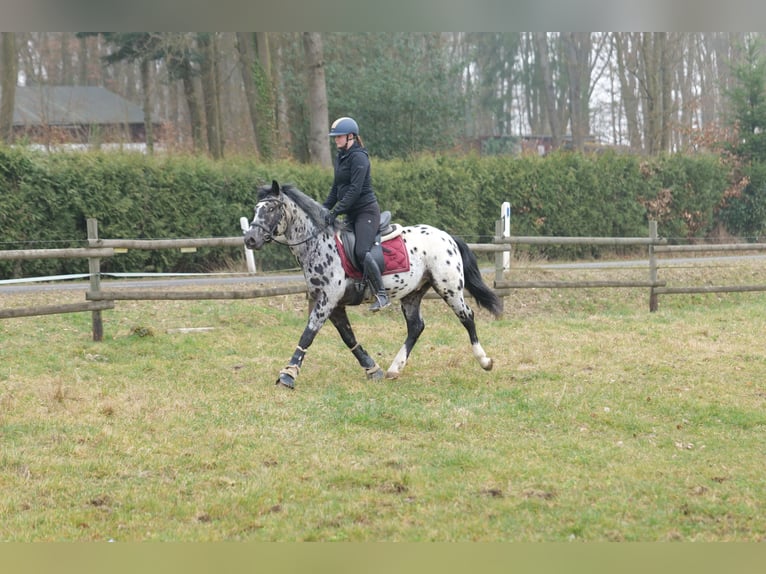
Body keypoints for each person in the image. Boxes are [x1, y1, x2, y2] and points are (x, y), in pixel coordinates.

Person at [323, 116, 390, 311]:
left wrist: (336, 212)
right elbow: (336, 189)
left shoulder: (359, 157)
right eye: (335, 137)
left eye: (339, 136)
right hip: (350, 214)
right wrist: (323, 209)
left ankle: (382, 294)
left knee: (361, 251)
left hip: (366, 212)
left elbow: (355, 190)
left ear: (350, 136)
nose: (336, 140)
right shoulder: (341, 157)